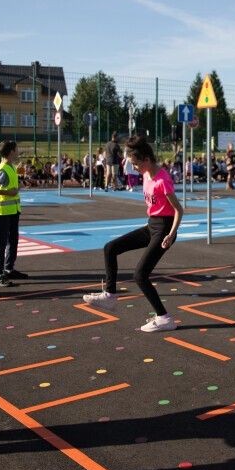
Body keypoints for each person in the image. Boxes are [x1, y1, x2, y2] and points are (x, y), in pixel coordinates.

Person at [83, 136, 184, 332]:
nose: (134, 168)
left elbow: (179, 210)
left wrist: (171, 235)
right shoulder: (146, 174)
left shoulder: (162, 180)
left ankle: (164, 318)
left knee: (140, 275)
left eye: (136, 164)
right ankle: (110, 296)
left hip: (164, 229)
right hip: (152, 225)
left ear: (146, 159)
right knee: (110, 248)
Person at [0, 140, 26, 287]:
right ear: (11, 152)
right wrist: (8, 192)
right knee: (1, 242)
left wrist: (18, 186)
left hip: (13, 210)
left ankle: (9, 268)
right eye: (17, 149)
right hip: (3, 211)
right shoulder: (3, 169)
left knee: (13, 240)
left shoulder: (11, 167)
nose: (18, 152)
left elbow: (12, 186)